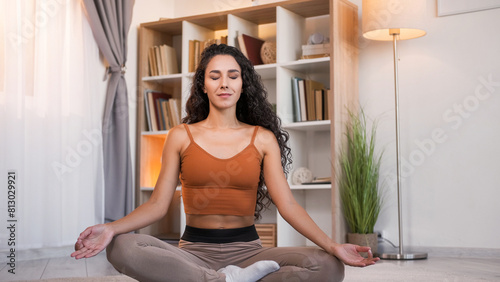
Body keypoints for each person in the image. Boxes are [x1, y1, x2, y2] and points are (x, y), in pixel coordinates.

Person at [71, 44, 379, 282]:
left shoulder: (261, 138)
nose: (224, 83)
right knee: (121, 246)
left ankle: (220, 280)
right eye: (214, 76)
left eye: (233, 76)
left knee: (327, 266)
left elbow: (289, 206)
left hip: (249, 252)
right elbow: (157, 206)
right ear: (203, 85)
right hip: (192, 254)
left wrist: (333, 245)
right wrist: (110, 229)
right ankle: (221, 280)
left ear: (243, 84)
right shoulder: (180, 136)